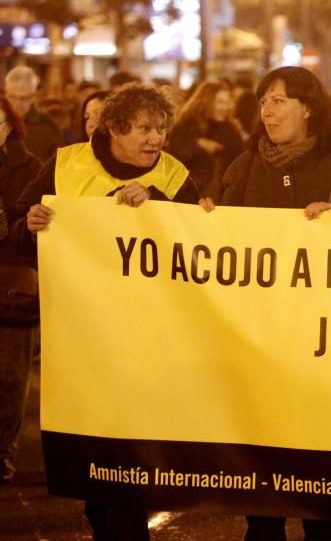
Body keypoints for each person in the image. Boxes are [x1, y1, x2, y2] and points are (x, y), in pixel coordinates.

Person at [11, 82, 200, 540]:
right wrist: (29, 225)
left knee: (133, 444)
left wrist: (158, 205)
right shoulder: (65, 164)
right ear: (114, 127)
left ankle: (128, 526)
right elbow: (18, 228)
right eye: (143, 129)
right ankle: (103, 517)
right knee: (96, 441)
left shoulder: (173, 175)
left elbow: (201, 241)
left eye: (161, 129)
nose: (155, 139)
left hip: (150, 336)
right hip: (82, 332)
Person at [211, 65, 331, 541]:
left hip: (325, 345)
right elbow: (218, 244)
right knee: (262, 461)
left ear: (307, 107)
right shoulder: (244, 166)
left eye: (279, 100)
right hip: (261, 339)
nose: (267, 111)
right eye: (263, 102)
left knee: (318, 466)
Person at [0, 97, 42, 485]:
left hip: (12, 281)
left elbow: (28, 226)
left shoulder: (28, 167)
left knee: (11, 377)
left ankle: (2, 452)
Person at [166, 80, 244, 201]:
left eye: (227, 102)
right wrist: (197, 145)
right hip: (187, 197)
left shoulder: (231, 131)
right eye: (220, 102)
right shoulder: (185, 127)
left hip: (220, 199)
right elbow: (172, 159)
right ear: (206, 102)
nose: (225, 107)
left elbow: (239, 164)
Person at [4, 66, 60, 161]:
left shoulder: (48, 126)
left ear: (33, 97)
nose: (18, 103)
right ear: (6, 94)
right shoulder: (2, 121)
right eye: (12, 97)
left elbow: (58, 164)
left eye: (24, 98)